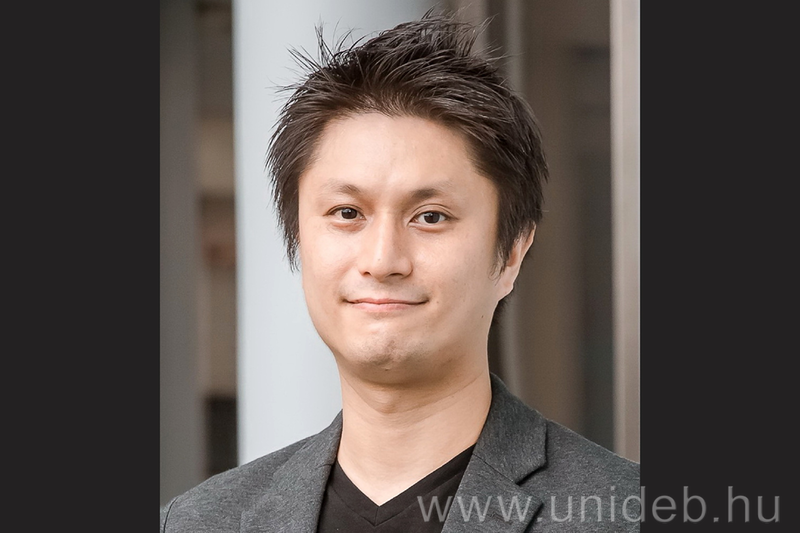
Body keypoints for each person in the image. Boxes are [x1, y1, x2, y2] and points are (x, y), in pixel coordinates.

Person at [160, 11, 640, 532]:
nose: (383, 260)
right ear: (298, 239)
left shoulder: (624, 513)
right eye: (347, 213)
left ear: (511, 254)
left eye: (430, 217)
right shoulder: (198, 523)